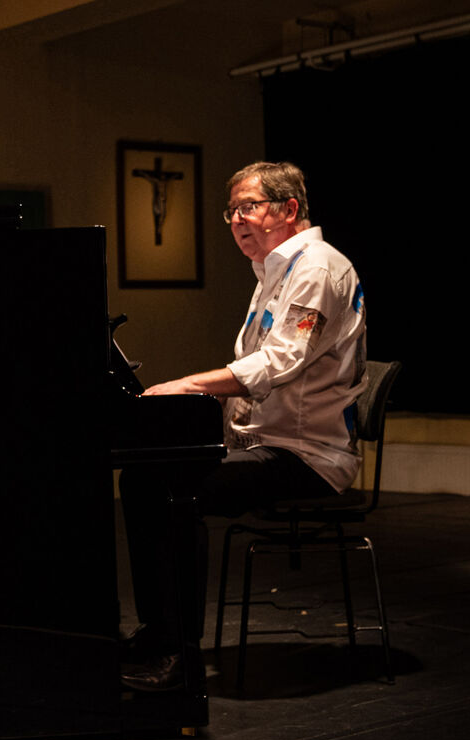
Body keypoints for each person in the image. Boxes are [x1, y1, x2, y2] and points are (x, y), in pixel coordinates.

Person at [119, 161, 365, 691]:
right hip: (269, 445)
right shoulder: (274, 273)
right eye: (230, 211)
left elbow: (280, 361)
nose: (235, 221)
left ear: (289, 209)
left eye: (247, 207)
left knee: (172, 490)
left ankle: (177, 653)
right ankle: (157, 631)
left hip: (308, 456)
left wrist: (188, 386)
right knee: (143, 478)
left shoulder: (318, 268)